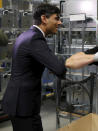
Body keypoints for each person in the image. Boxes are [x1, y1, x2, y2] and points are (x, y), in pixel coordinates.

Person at [2, 3, 66, 131]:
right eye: (56, 18)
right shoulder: (35, 39)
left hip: (20, 103)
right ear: (44, 19)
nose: (59, 23)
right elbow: (59, 68)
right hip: (23, 105)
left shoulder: (26, 34)